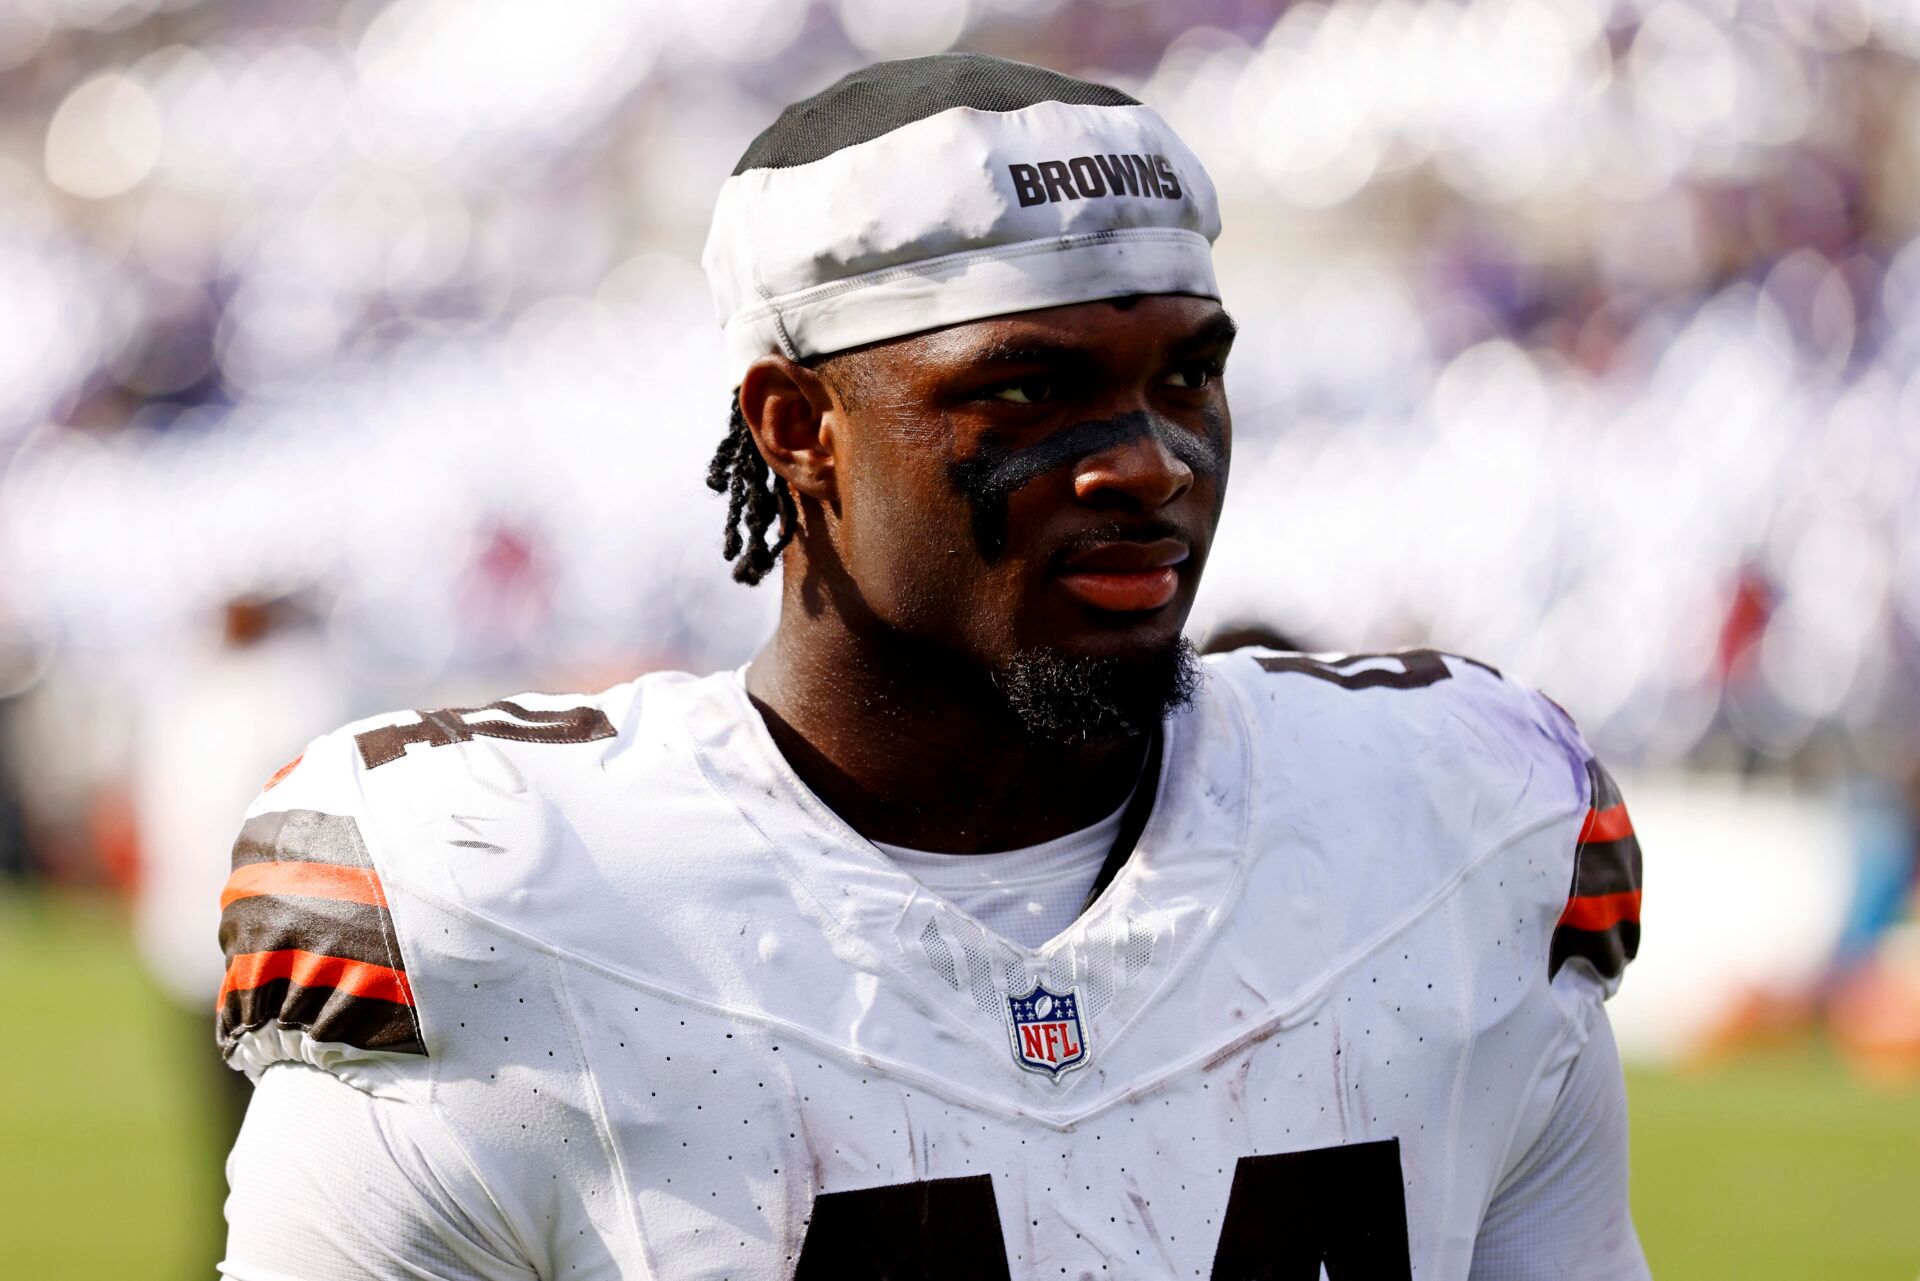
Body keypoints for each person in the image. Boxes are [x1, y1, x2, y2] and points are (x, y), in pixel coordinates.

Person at [217, 54, 1648, 1280]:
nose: (1151, 461)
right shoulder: (505, 895)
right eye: (1030, 387)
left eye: (1187, 374)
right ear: (796, 427)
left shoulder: (1456, 825)